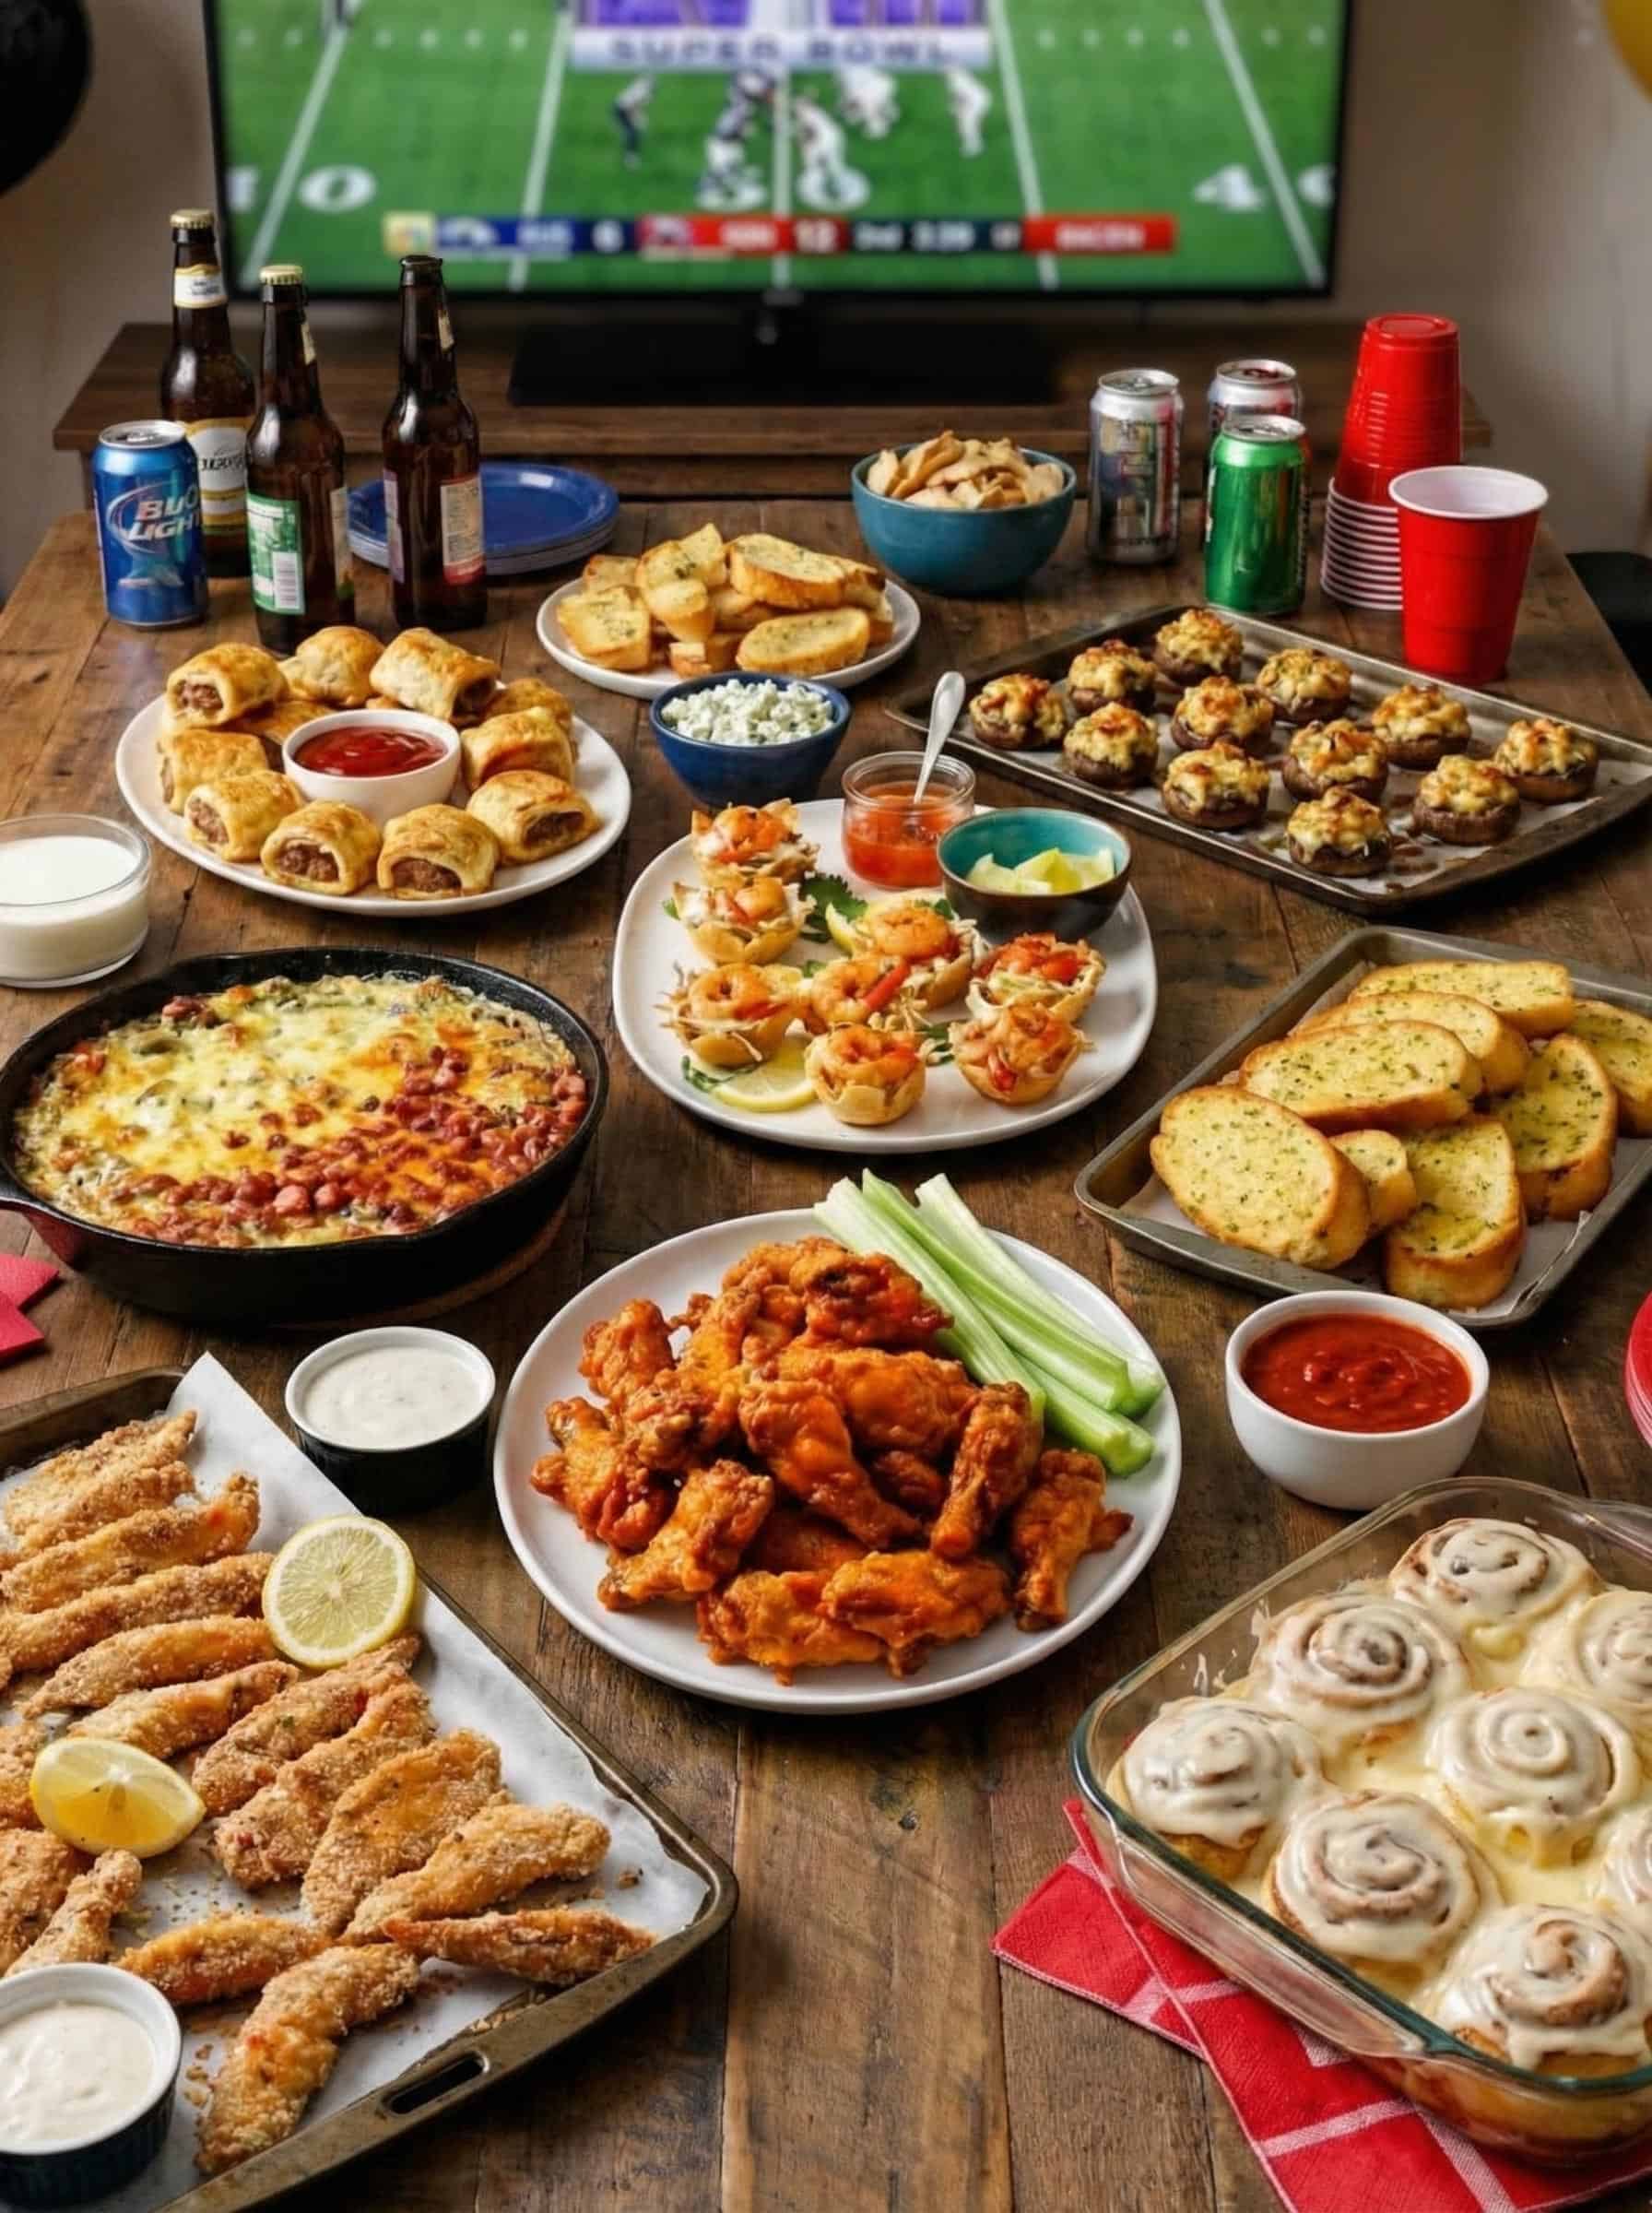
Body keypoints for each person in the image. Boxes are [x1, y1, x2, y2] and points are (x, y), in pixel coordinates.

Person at [794, 92, 861, 210]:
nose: (798, 111)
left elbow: (810, 135)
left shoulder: (811, 116)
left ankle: (835, 187)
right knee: (820, 163)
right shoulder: (811, 114)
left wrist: (804, 143)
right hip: (825, 138)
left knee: (827, 164)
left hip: (827, 139)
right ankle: (830, 183)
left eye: (800, 108)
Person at [836, 61, 898, 141]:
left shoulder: (863, 101)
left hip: (872, 86)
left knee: (859, 112)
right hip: (868, 84)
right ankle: (883, 118)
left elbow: (851, 101)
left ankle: (879, 125)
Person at [945, 65, 991, 158]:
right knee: (965, 123)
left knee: (966, 124)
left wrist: (958, 110)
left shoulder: (956, 81)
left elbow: (961, 97)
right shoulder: (960, 74)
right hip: (978, 97)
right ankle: (973, 142)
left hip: (977, 102)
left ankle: (975, 147)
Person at [612, 74, 654, 171]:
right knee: (632, 133)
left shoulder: (640, 86)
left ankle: (631, 156)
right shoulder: (643, 92)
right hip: (621, 110)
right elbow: (632, 106)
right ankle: (630, 158)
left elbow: (635, 105)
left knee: (634, 132)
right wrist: (636, 119)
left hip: (623, 108)